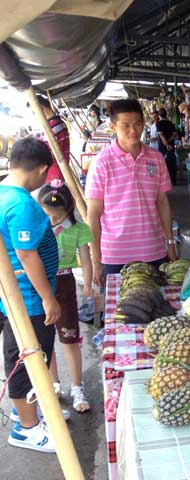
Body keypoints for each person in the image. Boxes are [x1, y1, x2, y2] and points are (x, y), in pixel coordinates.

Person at [0, 137, 61, 452]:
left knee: (30, 360)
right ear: (40, 169)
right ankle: (27, 428)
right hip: (30, 301)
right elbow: (27, 255)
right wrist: (48, 298)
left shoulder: (3, 192)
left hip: (18, 297)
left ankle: (28, 411)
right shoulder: (22, 204)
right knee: (29, 361)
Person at [86, 99, 177, 287]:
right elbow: (93, 215)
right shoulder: (102, 162)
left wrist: (170, 242)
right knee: (120, 312)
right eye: (125, 126)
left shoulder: (156, 159)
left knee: (157, 310)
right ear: (113, 126)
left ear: (144, 123)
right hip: (115, 255)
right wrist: (96, 259)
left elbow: (162, 202)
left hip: (154, 251)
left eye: (137, 124)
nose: (133, 131)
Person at [38, 181, 92, 413]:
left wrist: (88, 285)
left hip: (65, 285)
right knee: (46, 339)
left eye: (57, 216)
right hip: (40, 286)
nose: (52, 221)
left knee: (70, 338)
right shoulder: (37, 228)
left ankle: (77, 387)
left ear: (68, 211)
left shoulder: (79, 229)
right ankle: (54, 385)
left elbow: (86, 259)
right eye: (47, 215)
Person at [35, 95, 68, 184]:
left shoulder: (53, 127)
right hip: (57, 173)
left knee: (53, 198)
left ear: (41, 109)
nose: (35, 116)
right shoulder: (58, 123)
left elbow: (48, 154)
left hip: (54, 175)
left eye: (34, 112)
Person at [156, 108, 178, 185]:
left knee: (163, 164)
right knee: (171, 162)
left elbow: (161, 135)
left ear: (159, 115)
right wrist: (169, 142)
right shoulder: (170, 123)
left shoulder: (158, 123)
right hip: (171, 146)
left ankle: (166, 181)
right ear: (166, 114)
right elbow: (174, 135)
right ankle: (173, 180)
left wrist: (166, 144)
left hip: (163, 147)